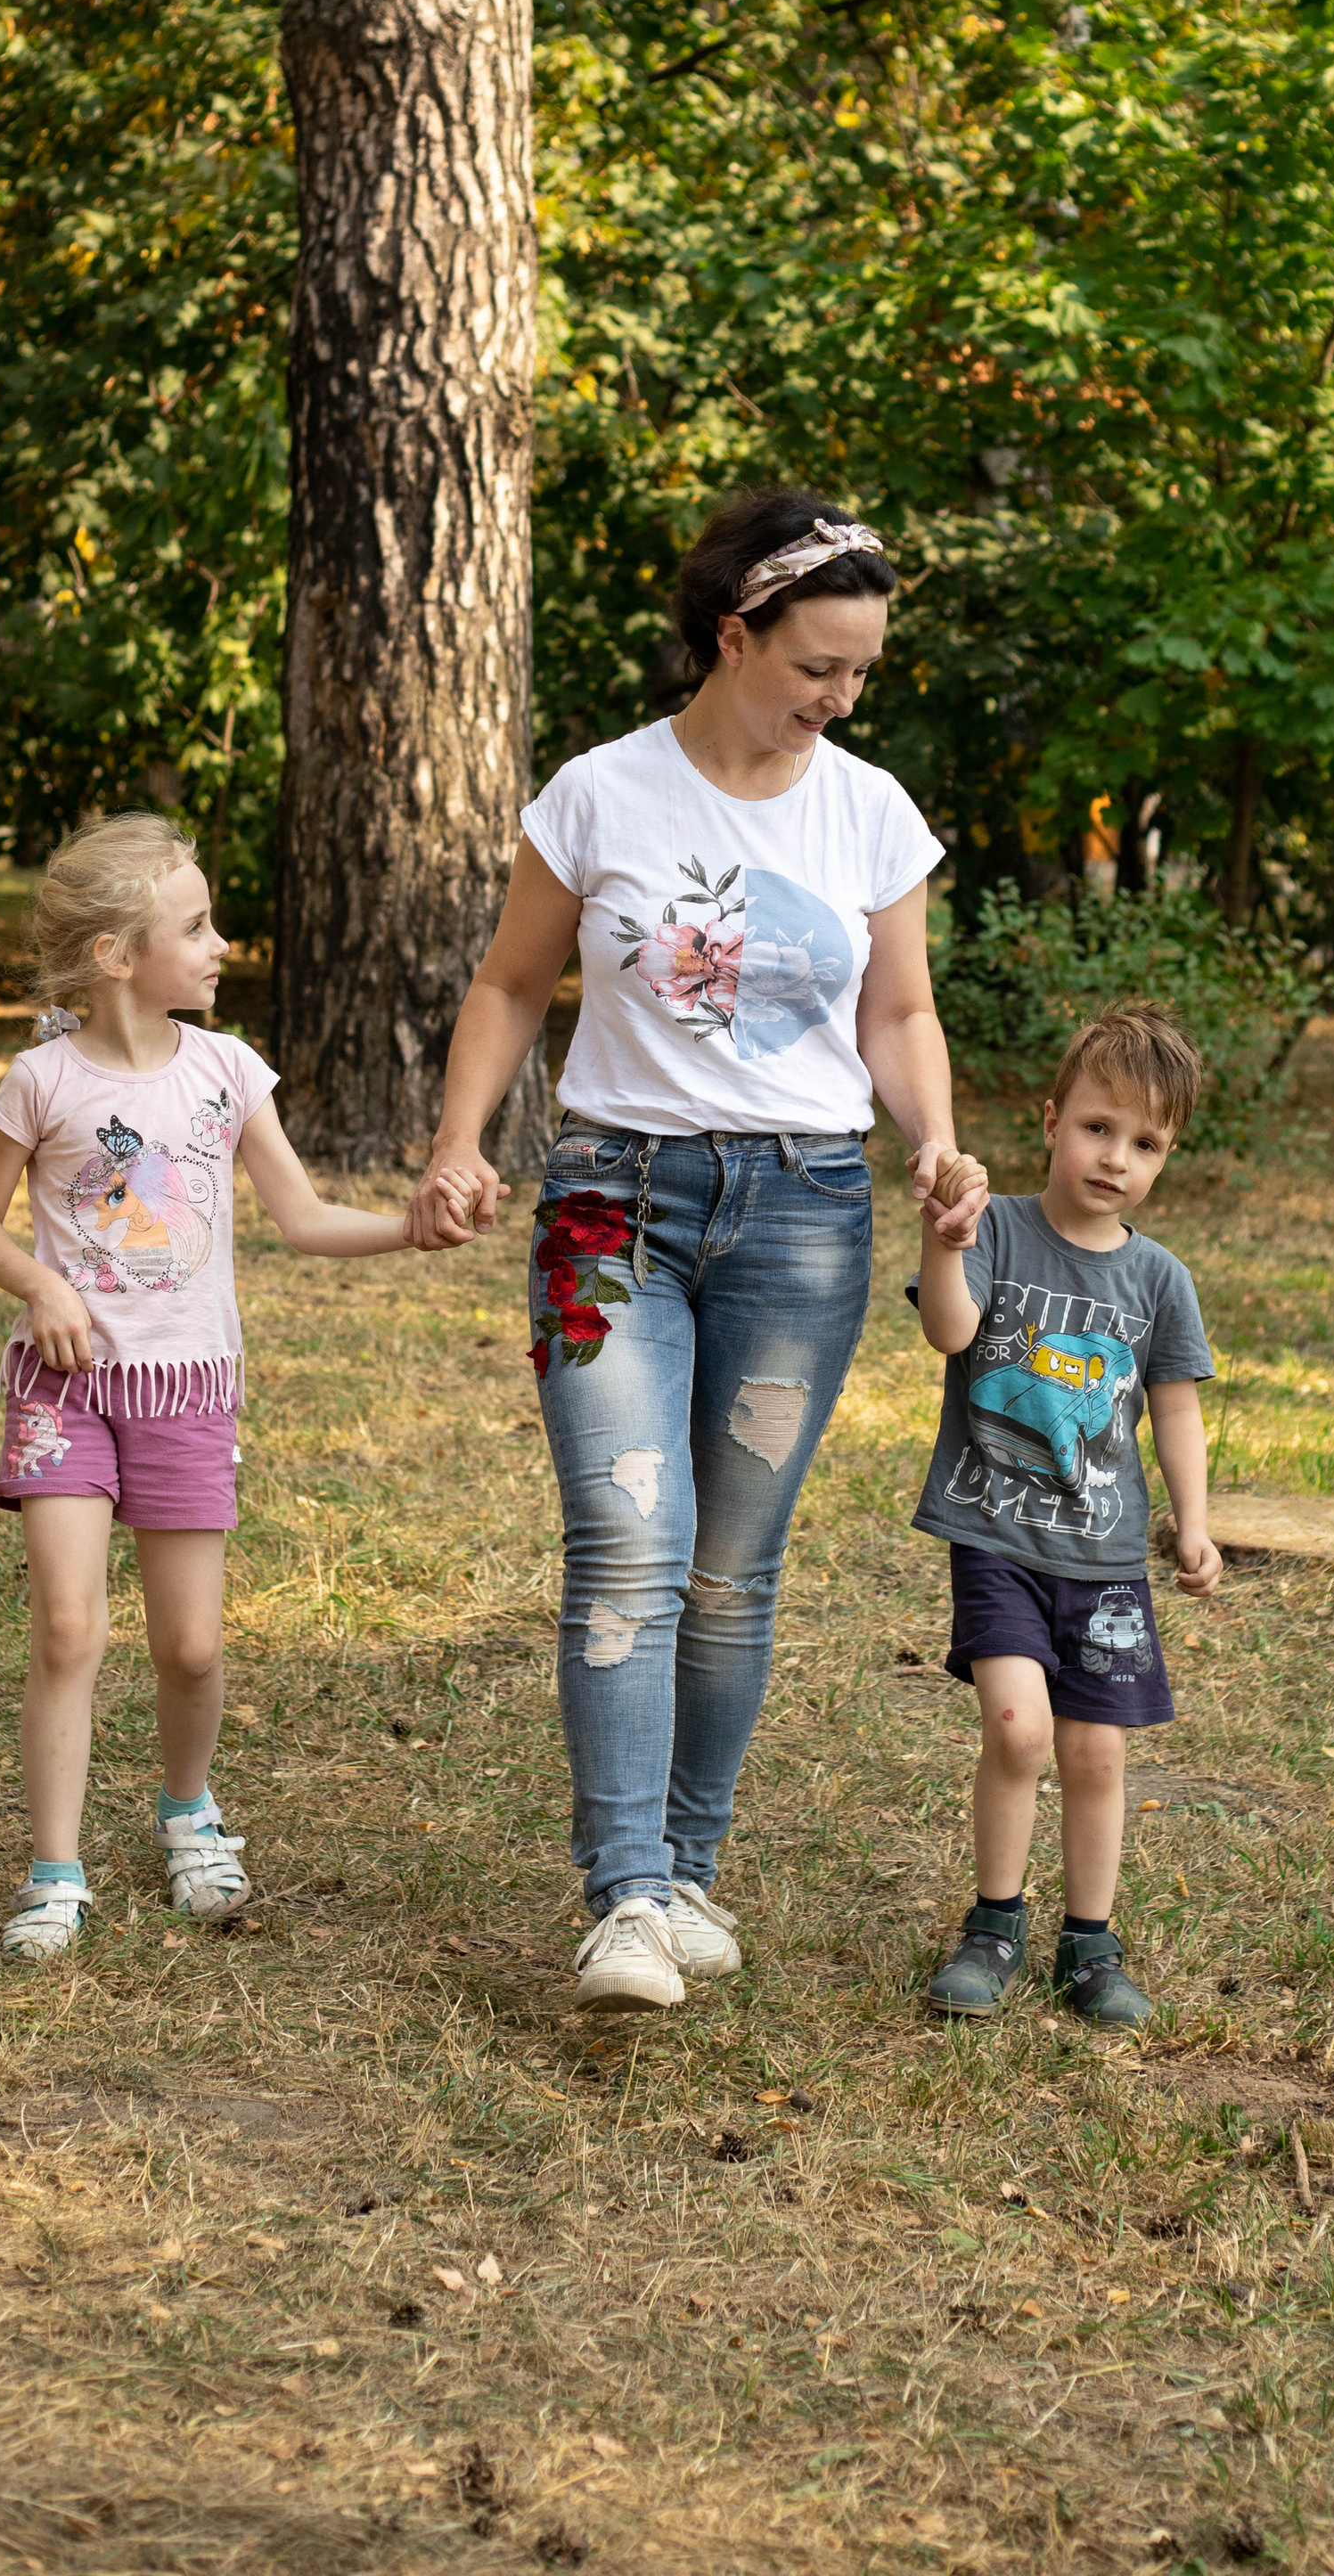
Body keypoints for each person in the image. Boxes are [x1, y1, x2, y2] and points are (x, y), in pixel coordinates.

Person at [405, 488, 982, 2012]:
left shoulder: (870, 812)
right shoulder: (600, 794)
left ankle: (688, 1868)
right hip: (611, 1208)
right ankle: (623, 1903)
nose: (838, 701)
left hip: (803, 1216)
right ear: (733, 636)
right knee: (629, 1545)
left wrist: (929, 1135)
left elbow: (900, 1014)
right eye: (816, 669)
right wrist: (463, 1137)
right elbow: (514, 984)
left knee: (731, 1573)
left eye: (861, 675)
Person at [0, 815, 417, 1964]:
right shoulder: (41, 1080)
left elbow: (302, 1219)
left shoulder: (226, 1070)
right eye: (196, 926)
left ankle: (188, 1810)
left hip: (188, 1393)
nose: (220, 945)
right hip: (65, 1391)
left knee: (192, 1649)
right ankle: (54, 1874)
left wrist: (412, 1227)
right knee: (67, 1628)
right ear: (117, 954)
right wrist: (38, 1288)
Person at [911, 1002, 1222, 2032]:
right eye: (1097, 1128)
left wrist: (1192, 1521)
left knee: (1096, 1755)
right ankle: (994, 1927)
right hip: (997, 1535)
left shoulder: (1156, 1279)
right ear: (1051, 1120)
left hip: (1105, 1558)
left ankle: (1089, 1944)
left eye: (1145, 1144)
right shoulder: (996, 1228)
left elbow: (1173, 1406)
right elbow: (950, 1332)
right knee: (1017, 1730)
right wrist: (943, 1237)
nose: (1115, 1158)